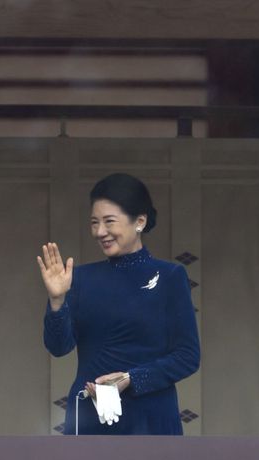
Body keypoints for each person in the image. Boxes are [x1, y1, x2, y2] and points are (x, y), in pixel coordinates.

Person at [38, 173, 200, 435]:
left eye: (109, 222)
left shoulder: (170, 277)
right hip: (90, 417)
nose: (100, 232)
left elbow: (188, 357)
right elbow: (58, 347)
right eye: (94, 223)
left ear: (140, 221)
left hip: (151, 417)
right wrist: (57, 301)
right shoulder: (80, 278)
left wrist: (131, 379)